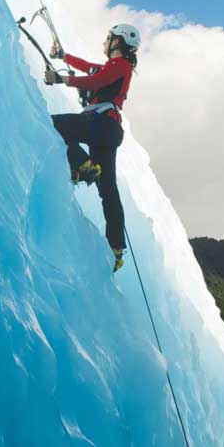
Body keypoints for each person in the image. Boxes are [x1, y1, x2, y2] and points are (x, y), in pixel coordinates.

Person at [44, 24, 141, 272]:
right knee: (108, 190)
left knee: (52, 124)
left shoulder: (120, 66)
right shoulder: (114, 67)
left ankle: (83, 166)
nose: (105, 41)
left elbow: (95, 80)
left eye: (109, 37)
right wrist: (63, 57)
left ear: (118, 42)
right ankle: (116, 248)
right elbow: (88, 67)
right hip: (107, 130)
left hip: (101, 123)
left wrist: (60, 79)